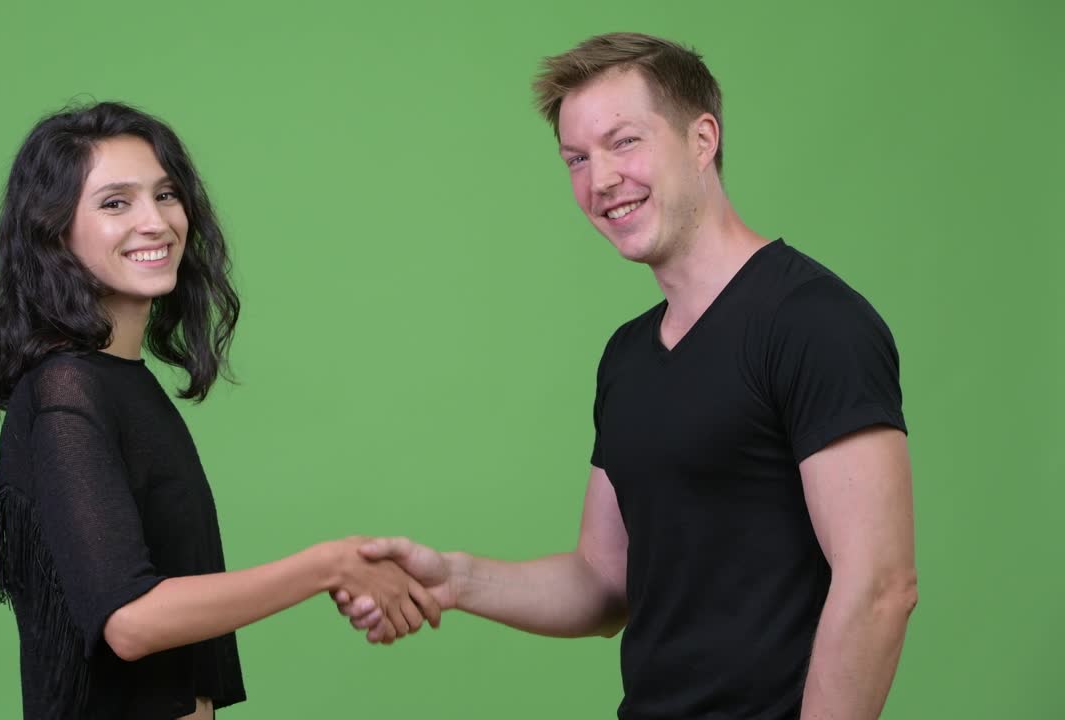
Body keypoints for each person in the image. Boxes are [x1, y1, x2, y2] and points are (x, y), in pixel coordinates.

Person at [335, 32, 918, 719]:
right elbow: (603, 582)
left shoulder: (813, 323)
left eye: (625, 142)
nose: (600, 179)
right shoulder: (629, 356)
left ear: (702, 140)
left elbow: (880, 583)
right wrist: (454, 579)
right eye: (576, 158)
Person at [0, 102, 439, 720]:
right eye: (115, 203)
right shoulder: (66, 392)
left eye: (166, 195)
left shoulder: (124, 384)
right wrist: (328, 566)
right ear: (54, 230)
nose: (156, 222)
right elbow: (129, 621)